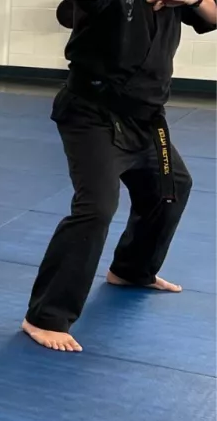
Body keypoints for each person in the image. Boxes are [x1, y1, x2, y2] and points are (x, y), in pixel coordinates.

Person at [23, 0, 216, 352]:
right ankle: (45, 316)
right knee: (96, 208)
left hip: (145, 119)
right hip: (91, 114)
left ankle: (131, 270)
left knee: (171, 189)